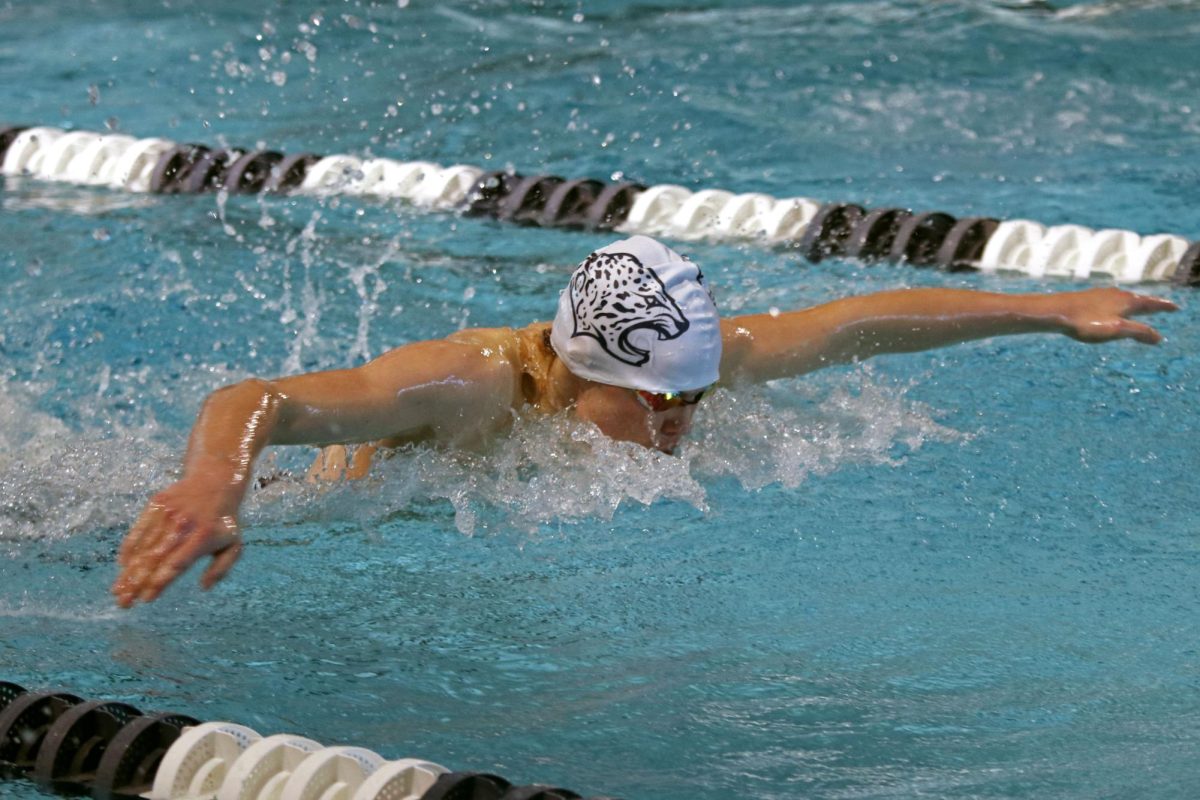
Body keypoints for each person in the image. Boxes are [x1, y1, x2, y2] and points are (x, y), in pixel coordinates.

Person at [112, 235, 1177, 608]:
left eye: (696, 400)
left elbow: (862, 322)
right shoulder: (467, 383)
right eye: (660, 406)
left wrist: (1053, 307)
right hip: (306, 516)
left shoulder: (700, 366)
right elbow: (256, 398)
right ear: (584, 375)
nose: (683, 427)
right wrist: (217, 483)